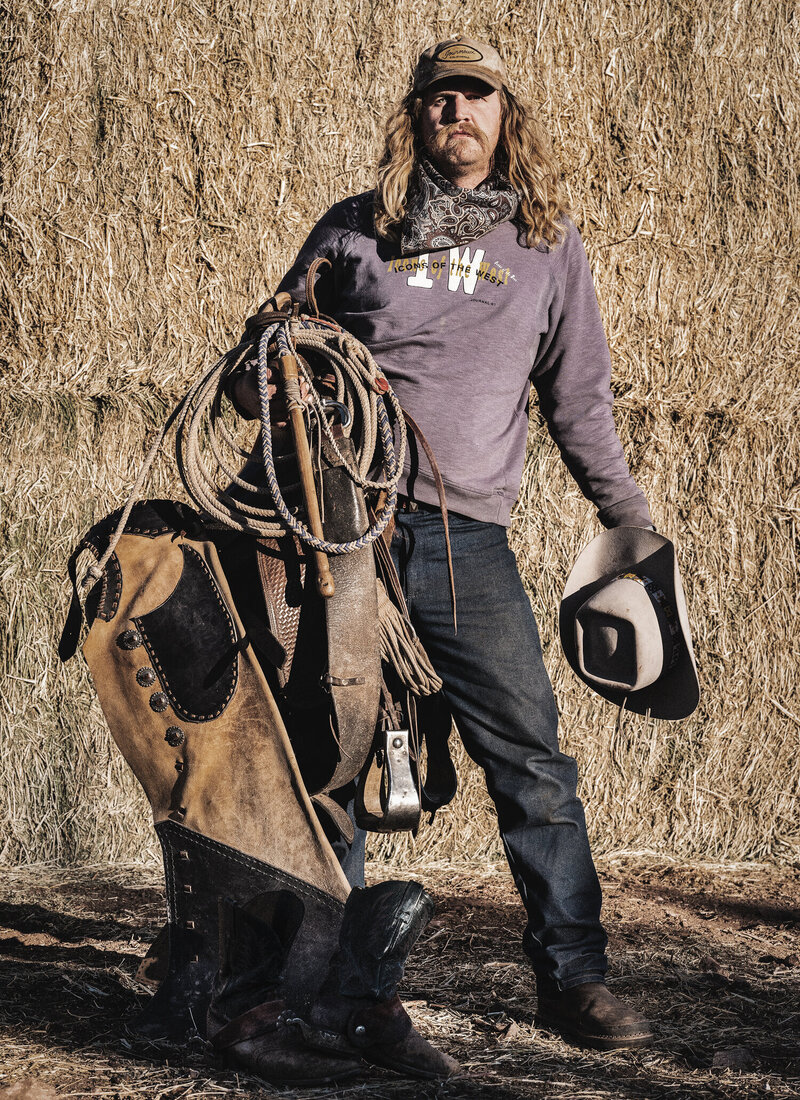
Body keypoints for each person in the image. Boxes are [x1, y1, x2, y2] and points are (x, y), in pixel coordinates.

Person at [232, 35, 655, 1051]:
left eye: (473, 95)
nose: (453, 111)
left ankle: (572, 977)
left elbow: (578, 402)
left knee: (531, 760)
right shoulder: (352, 231)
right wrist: (274, 343)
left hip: (466, 543)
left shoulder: (546, 245)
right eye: (436, 97)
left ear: (504, 113)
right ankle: (339, 986)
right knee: (326, 756)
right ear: (413, 114)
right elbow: (259, 374)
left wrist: (628, 519)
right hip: (342, 537)